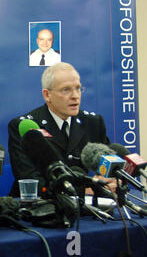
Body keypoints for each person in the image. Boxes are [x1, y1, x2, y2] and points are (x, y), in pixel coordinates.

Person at [8, 62, 111, 198]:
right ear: (47, 95)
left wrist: (110, 180)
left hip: (85, 209)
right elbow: (29, 179)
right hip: (39, 207)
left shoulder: (93, 123)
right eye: (66, 90)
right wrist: (82, 191)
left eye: (78, 88)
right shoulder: (25, 126)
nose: (75, 96)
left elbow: (107, 166)